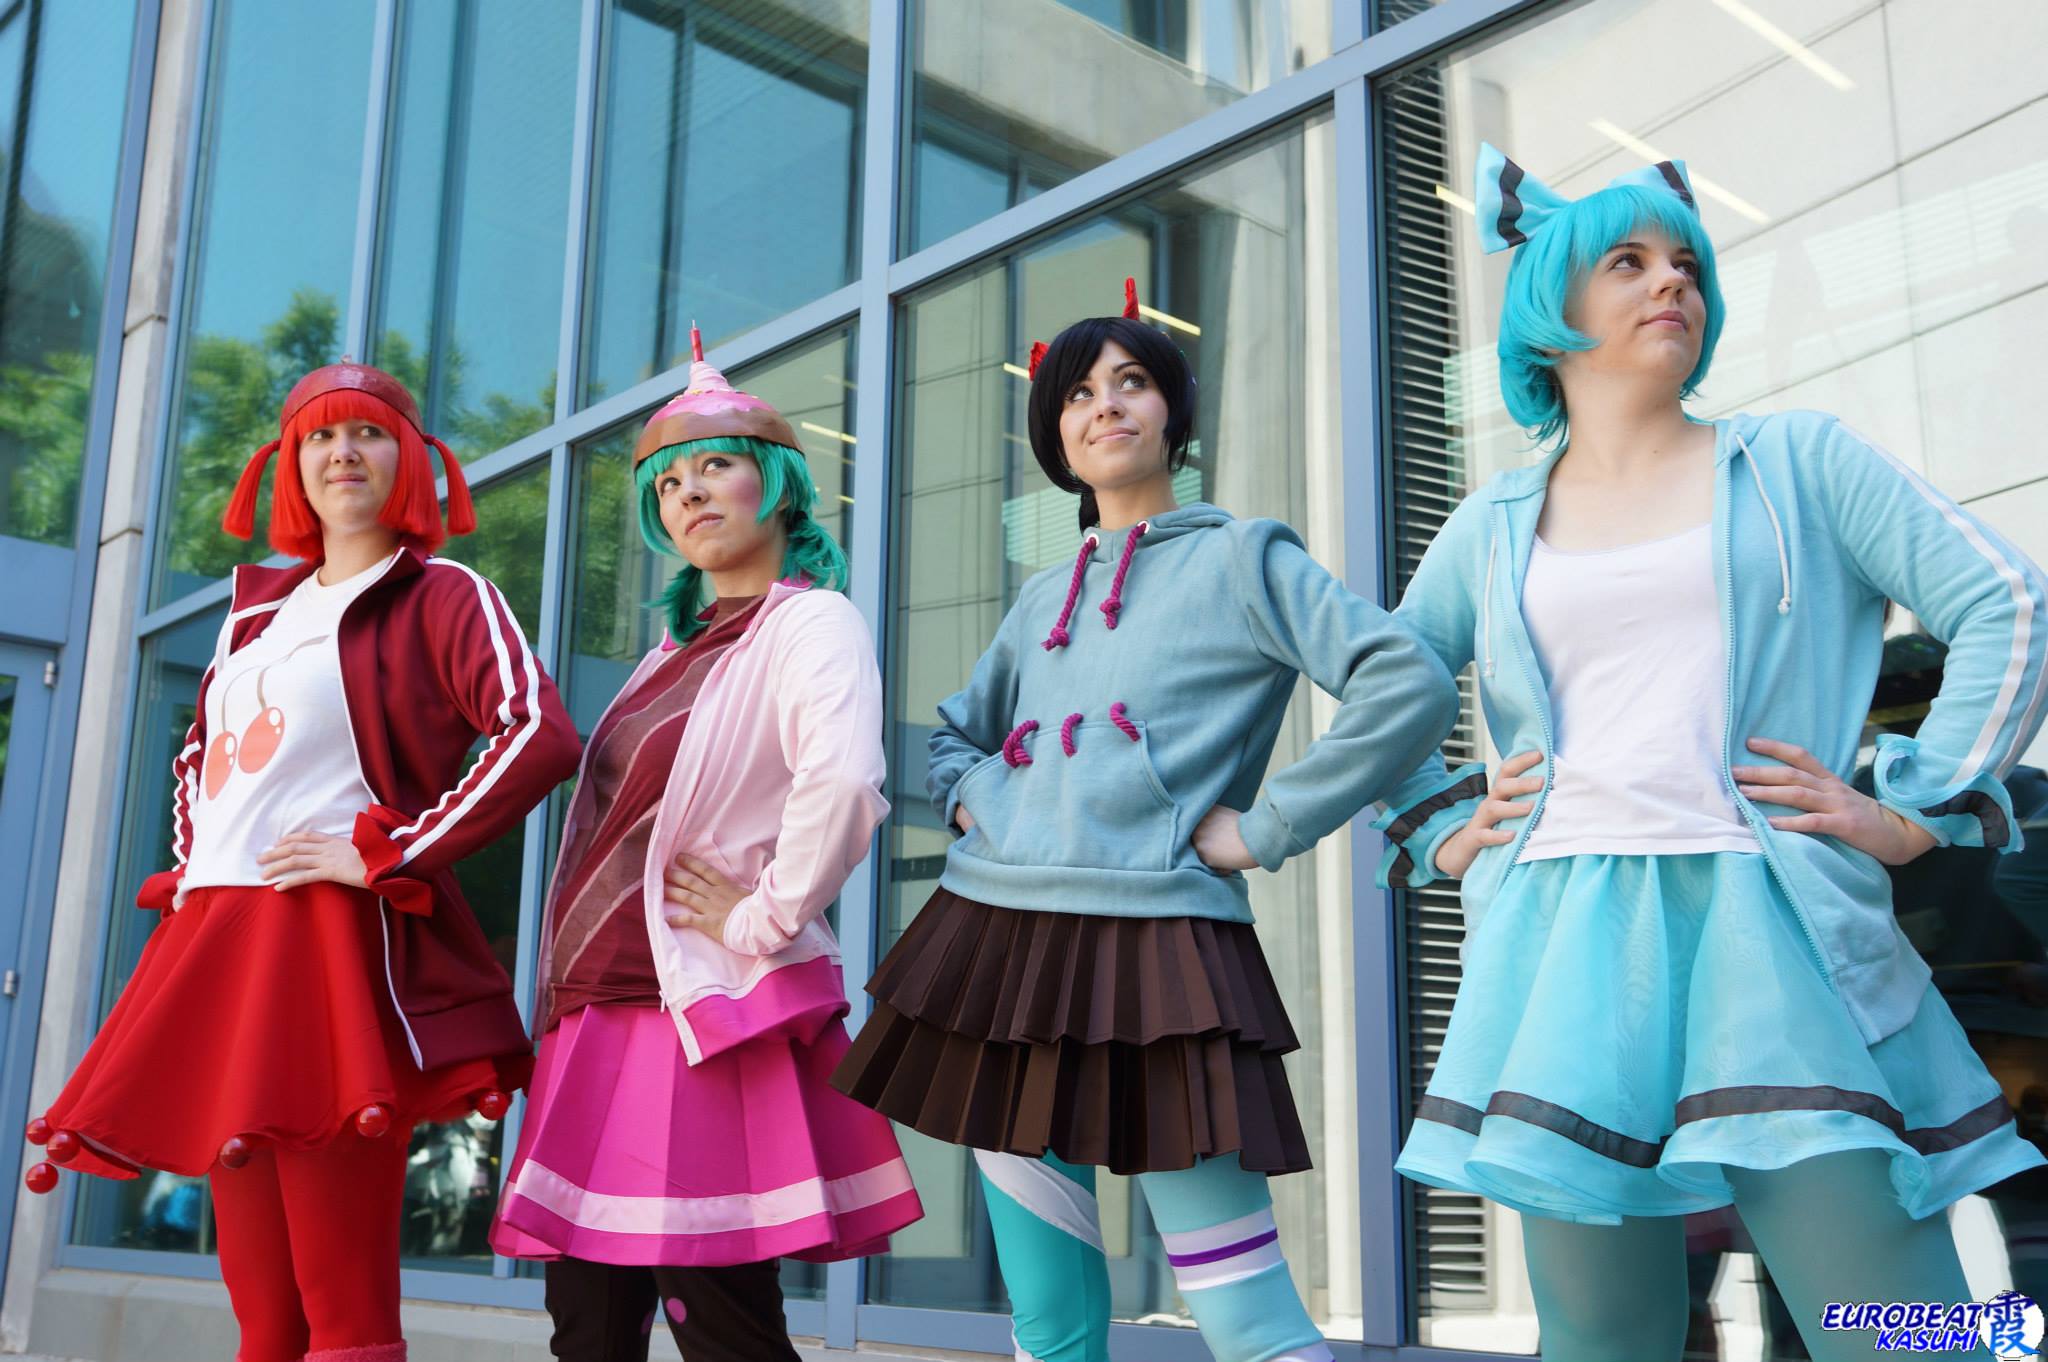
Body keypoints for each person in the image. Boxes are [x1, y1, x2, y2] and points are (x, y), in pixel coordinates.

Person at [1376, 144, 2048, 1361]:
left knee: (1902, 1329)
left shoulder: (1797, 461)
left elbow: (2005, 598)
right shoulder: (1489, 524)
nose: (1669, 281)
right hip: (1561, 947)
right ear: (1549, 307)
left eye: (1684, 262)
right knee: (1602, 1338)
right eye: (1626, 262)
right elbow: (1387, 686)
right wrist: (1447, 827)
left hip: (1770, 930)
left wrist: (1918, 804)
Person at [833, 280, 1459, 1362]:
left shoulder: (1243, 557)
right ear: (1055, 434)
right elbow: (953, 738)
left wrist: (1268, 826)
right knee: (1048, 1321)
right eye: (1078, 393)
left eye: (1130, 382)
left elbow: (1405, 682)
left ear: (1173, 411)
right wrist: (981, 798)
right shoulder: (1041, 596)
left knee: (1246, 1321)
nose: (1105, 405)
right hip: (994, 948)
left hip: (1159, 955)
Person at [27, 361, 581, 1362]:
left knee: (342, 1309)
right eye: (320, 437)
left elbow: (537, 731)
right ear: (289, 465)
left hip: (326, 942)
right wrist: (193, 870)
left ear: (409, 457)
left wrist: (396, 852)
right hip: (219, 937)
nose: (343, 454)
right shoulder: (254, 615)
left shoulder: (442, 592)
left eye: (367, 433)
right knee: (264, 1314)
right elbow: (197, 757)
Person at [489, 336, 922, 1362]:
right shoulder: (665, 657)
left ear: (777, 481)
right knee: (587, 1324)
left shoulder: (810, 623)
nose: (689, 493)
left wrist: (762, 914)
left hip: (694, 1009)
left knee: (716, 1313)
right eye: (667, 483)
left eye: (716, 464)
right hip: (597, 1009)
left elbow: (843, 782)